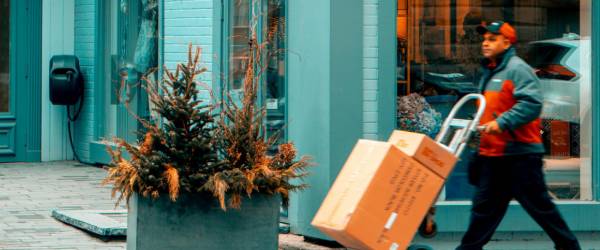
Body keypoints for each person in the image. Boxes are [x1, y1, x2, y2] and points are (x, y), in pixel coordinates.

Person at [456, 21, 581, 250]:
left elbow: (532, 103)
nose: (485, 43)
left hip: (519, 156)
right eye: (484, 39)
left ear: (506, 42)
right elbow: (490, 108)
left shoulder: (516, 69)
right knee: (482, 213)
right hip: (494, 156)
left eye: (492, 39)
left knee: (542, 209)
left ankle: (569, 247)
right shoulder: (492, 70)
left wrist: (501, 123)